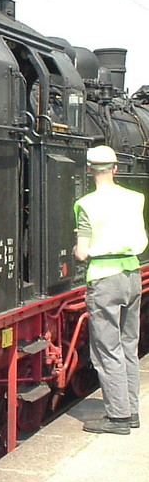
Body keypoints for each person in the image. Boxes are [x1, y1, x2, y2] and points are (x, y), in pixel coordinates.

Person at [74, 145, 148, 434]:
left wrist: (81, 248)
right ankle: (131, 412)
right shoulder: (135, 198)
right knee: (129, 344)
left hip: (105, 278)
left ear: (90, 170)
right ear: (116, 168)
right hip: (132, 274)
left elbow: (81, 252)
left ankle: (117, 418)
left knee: (107, 348)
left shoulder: (87, 204)